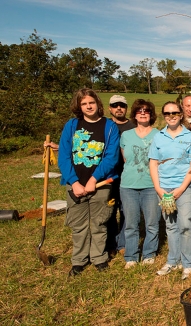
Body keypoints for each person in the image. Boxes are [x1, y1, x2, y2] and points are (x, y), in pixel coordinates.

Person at [58, 88, 119, 276]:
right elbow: (63, 156)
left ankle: (99, 257)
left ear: (97, 104)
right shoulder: (72, 125)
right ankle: (79, 260)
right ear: (79, 106)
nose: (88, 106)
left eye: (91, 102)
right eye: (84, 104)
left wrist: (94, 179)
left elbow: (111, 157)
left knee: (99, 223)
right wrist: (74, 182)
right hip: (75, 185)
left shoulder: (109, 126)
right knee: (78, 224)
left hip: (100, 184)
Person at [149, 101, 191, 279]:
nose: (171, 116)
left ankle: (188, 263)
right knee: (170, 225)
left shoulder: (190, 137)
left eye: (175, 113)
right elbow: (153, 163)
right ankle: (173, 260)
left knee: (185, 224)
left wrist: (181, 188)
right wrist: (158, 188)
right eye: (167, 113)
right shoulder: (158, 137)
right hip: (164, 188)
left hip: (185, 187)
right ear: (163, 115)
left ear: (181, 115)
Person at [119, 99, 161, 269]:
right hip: (128, 185)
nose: (142, 113)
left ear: (151, 115)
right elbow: (125, 159)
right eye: (139, 111)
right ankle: (131, 256)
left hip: (151, 185)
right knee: (131, 223)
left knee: (152, 222)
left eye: (146, 111)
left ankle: (149, 253)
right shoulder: (126, 135)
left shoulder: (158, 134)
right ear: (134, 115)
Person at [106, 95, 136, 259]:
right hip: (108, 175)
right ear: (109, 108)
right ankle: (110, 243)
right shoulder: (105, 126)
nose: (119, 108)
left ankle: (123, 242)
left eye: (122, 105)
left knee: (126, 210)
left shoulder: (133, 127)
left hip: (128, 175)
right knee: (109, 210)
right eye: (115, 105)